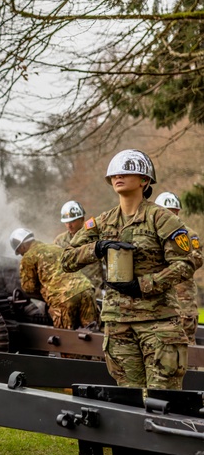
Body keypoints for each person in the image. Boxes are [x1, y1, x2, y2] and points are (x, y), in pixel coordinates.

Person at [61, 150, 197, 390]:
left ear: (144, 181)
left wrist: (145, 285)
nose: (118, 176)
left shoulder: (162, 219)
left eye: (126, 172)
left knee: (162, 398)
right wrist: (98, 247)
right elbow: (67, 258)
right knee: (128, 400)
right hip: (118, 325)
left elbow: (185, 263)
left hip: (159, 323)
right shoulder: (103, 222)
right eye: (114, 174)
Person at [10, 228, 97, 330]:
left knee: (66, 338)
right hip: (86, 290)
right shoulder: (56, 247)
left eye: (19, 251)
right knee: (92, 334)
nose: (21, 255)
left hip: (64, 298)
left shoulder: (28, 257)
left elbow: (29, 288)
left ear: (23, 246)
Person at [154, 191, 202, 344]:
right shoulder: (150, 234)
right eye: (167, 212)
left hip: (182, 299)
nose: (171, 215)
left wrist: (172, 264)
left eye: (174, 212)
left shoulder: (188, 234)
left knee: (186, 341)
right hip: (156, 301)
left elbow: (197, 259)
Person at [54, 200, 103, 296]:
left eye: (72, 221)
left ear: (82, 219)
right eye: (66, 222)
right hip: (71, 291)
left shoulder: (94, 236)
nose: (69, 225)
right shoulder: (60, 241)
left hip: (95, 290)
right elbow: (57, 267)